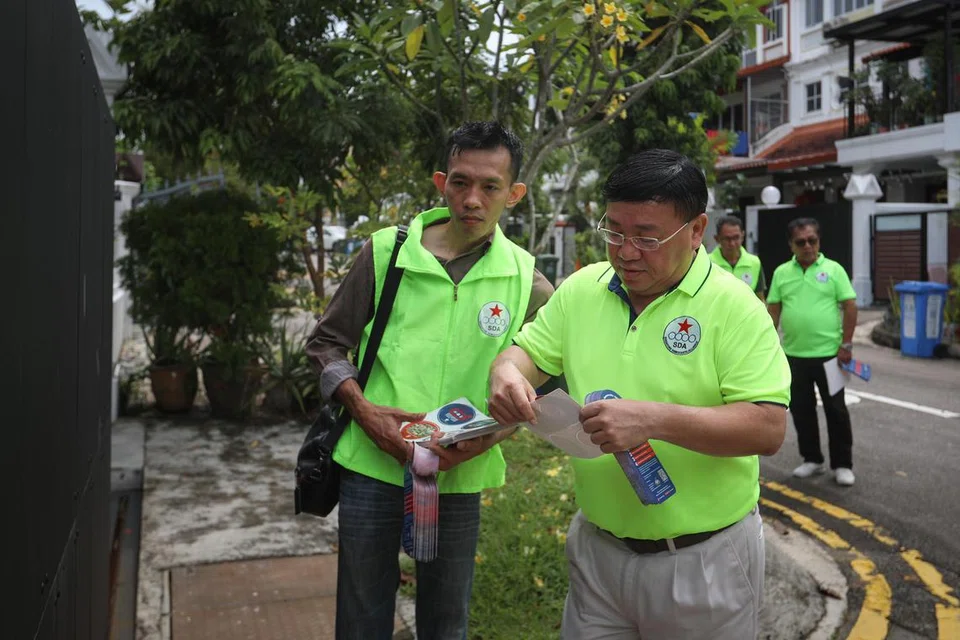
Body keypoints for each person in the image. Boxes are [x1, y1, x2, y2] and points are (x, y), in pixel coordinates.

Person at [487, 149, 791, 640]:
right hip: (597, 551)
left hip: (702, 561)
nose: (626, 252)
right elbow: (525, 353)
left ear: (696, 231)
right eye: (615, 232)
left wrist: (653, 420)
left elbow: (767, 426)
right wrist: (506, 373)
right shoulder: (583, 289)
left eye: (647, 237)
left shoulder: (735, 308)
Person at [305, 121, 553, 640]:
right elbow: (326, 343)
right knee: (361, 616)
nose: (472, 198)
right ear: (442, 182)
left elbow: (546, 384)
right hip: (371, 466)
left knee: (446, 620)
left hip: (458, 477)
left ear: (515, 194)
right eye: (461, 182)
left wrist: (491, 437)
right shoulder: (386, 253)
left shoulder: (526, 280)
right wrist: (367, 414)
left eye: (490, 186)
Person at [767, 218, 858, 486]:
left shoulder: (834, 270)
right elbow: (774, 311)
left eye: (812, 240)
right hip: (793, 356)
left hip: (831, 355)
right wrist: (771, 347)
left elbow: (850, 307)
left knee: (837, 410)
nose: (807, 246)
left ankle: (842, 464)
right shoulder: (782, 273)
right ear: (791, 245)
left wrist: (847, 344)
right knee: (801, 409)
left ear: (819, 241)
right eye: (801, 242)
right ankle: (812, 459)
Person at [709, 215, 767, 300]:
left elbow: (760, 298)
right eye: (727, 239)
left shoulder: (754, 262)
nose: (732, 243)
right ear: (717, 239)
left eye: (736, 237)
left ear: (743, 236)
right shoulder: (707, 262)